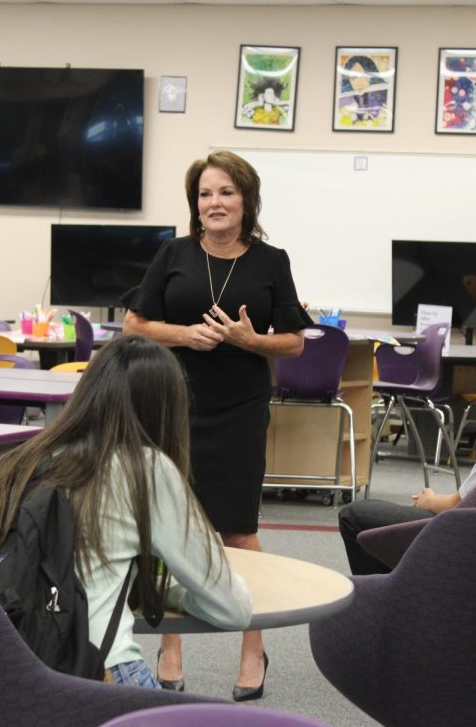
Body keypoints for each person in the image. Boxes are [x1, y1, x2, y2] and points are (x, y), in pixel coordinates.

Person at [122, 150, 311, 700]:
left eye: (226, 192)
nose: (215, 203)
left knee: (237, 531)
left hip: (239, 410)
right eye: (205, 194)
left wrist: (250, 341)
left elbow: (295, 341)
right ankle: (169, 644)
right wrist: (185, 335)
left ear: (246, 200)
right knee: (163, 525)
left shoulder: (271, 260)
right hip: (171, 406)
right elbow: (135, 325)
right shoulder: (174, 253)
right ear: (194, 204)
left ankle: (254, 647)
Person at [0, 334, 251, 687]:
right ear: (165, 412)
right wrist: (171, 592)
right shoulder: (146, 470)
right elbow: (234, 608)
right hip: (98, 675)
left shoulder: (14, 463)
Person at [338, 431, 476, 575]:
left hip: (468, 544)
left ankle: (385, 605)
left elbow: (457, 507)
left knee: (354, 516)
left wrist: (430, 499)